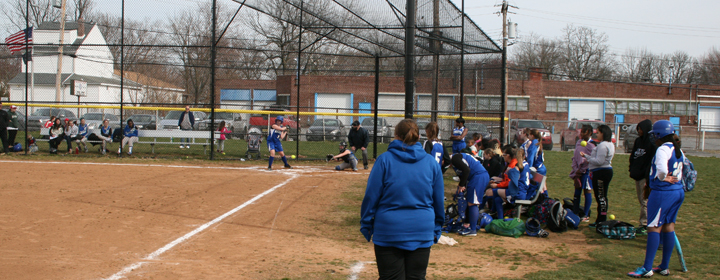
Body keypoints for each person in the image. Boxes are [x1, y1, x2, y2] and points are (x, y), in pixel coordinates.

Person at [360, 119, 444, 279]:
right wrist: (437, 227)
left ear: (395, 135)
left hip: (389, 230)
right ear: (419, 137)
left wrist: (366, 223)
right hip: (421, 229)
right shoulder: (431, 164)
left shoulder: (384, 160)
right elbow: (439, 201)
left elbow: (371, 196)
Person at [627, 120, 685, 278]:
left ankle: (647, 268)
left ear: (659, 135)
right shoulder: (677, 148)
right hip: (677, 192)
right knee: (668, 227)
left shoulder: (663, 149)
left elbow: (661, 170)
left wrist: (663, 178)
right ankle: (664, 266)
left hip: (662, 193)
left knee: (653, 227)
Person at [581, 124, 615, 226]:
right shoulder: (610, 144)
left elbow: (599, 161)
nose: (597, 134)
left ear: (603, 134)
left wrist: (587, 158)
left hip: (601, 173)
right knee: (602, 196)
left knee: (601, 197)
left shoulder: (603, 145)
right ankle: (601, 219)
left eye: (598, 132)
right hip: (604, 171)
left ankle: (601, 220)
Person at [450, 152, 490, 236]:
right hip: (478, 176)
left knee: (472, 203)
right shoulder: (456, 160)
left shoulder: (455, 158)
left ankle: (472, 229)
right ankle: (468, 225)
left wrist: (461, 185)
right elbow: (463, 175)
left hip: (478, 176)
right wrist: (461, 186)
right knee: (469, 201)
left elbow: (467, 170)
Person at [485, 145, 530, 219]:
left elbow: (512, 181)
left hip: (517, 193)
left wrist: (509, 171)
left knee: (489, 192)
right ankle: (498, 217)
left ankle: (491, 211)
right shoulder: (526, 164)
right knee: (497, 199)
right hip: (522, 191)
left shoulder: (517, 167)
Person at [628, 119, 656, 234]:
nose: (639, 131)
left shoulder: (652, 143)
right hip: (637, 175)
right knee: (641, 199)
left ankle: (644, 224)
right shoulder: (638, 141)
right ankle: (645, 222)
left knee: (645, 200)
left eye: (640, 129)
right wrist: (632, 168)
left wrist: (647, 177)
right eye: (638, 129)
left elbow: (651, 161)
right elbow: (633, 156)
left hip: (645, 176)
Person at [569, 124, 595, 222]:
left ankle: (585, 214)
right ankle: (575, 212)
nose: (582, 133)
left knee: (587, 190)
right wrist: (576, 170)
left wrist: (584, 169)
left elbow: (592, 160)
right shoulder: (579, 142)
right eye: (581, 131)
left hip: (587, 172)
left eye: (584, 131)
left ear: (590, 133)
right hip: (578, 171)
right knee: (577, 190)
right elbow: (575, 157)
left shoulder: (592, 145)